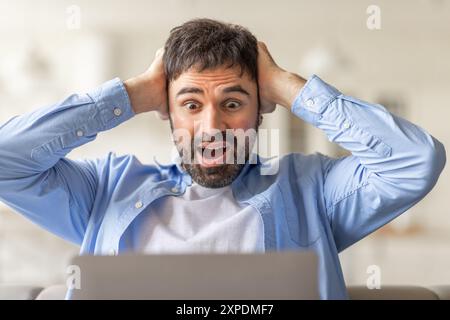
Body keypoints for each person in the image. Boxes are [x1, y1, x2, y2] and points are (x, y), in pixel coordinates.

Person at [0, 18, 446, 299]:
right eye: (191, 104)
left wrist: (290, 86)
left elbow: (416, 160)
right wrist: (128, 96)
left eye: (233, 103)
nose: (213, 126)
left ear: (262, 108)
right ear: (165, 110)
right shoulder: (107, 188)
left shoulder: (311, 189)